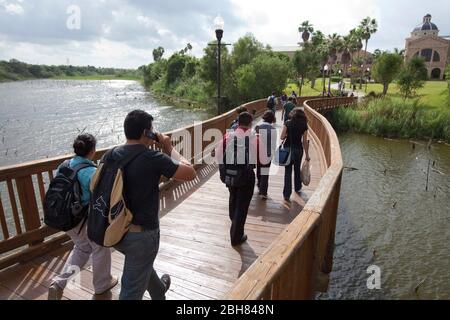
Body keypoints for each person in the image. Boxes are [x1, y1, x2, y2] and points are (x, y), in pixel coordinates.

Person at [111, 110, 196, 300]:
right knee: (130, 292)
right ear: (145, 132)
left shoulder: (111, 154)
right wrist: (168, 147)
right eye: (152, 130)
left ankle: (158, 291)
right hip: (140, 235)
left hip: (114, 230)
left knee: (140, 263)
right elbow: (190, 173)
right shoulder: (151, 158)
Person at [48, 134, 118, 300]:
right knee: (100, 247)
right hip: (84, 220)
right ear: (92, 151)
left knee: (81, 248)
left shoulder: (63, 166)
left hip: (66, 219)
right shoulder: (90, 172)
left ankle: (58, 283)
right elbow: (104, 196)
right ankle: (102, 284)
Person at [217, 112, 257, 247]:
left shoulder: (228, 136)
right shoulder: (253, 137)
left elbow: (217, 154)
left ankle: (233, 220)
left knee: (233, 196)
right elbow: (263, 158)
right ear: (250, 123)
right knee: (242, 205)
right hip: (246, 176)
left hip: (229, 174)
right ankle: (236, 236)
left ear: (238, 122)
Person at [280, 108, 310, 206]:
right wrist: (307, 155)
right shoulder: (304, 125)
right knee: (297, 169)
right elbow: (305, 141)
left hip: (288, 149)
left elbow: (282, 136)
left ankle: (286, 195)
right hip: (298, 150)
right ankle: (297, 187)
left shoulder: (287, 123)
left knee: (287, 172)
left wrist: (287, 134)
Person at [255, 111, 277, 200]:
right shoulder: (273, 129)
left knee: (259, 168)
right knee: (265, 172)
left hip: (258, 152)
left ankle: (259, 184)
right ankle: (263, 192)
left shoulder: (258, 127)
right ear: (272, 119)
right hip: (268, 153)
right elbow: (274, 143)